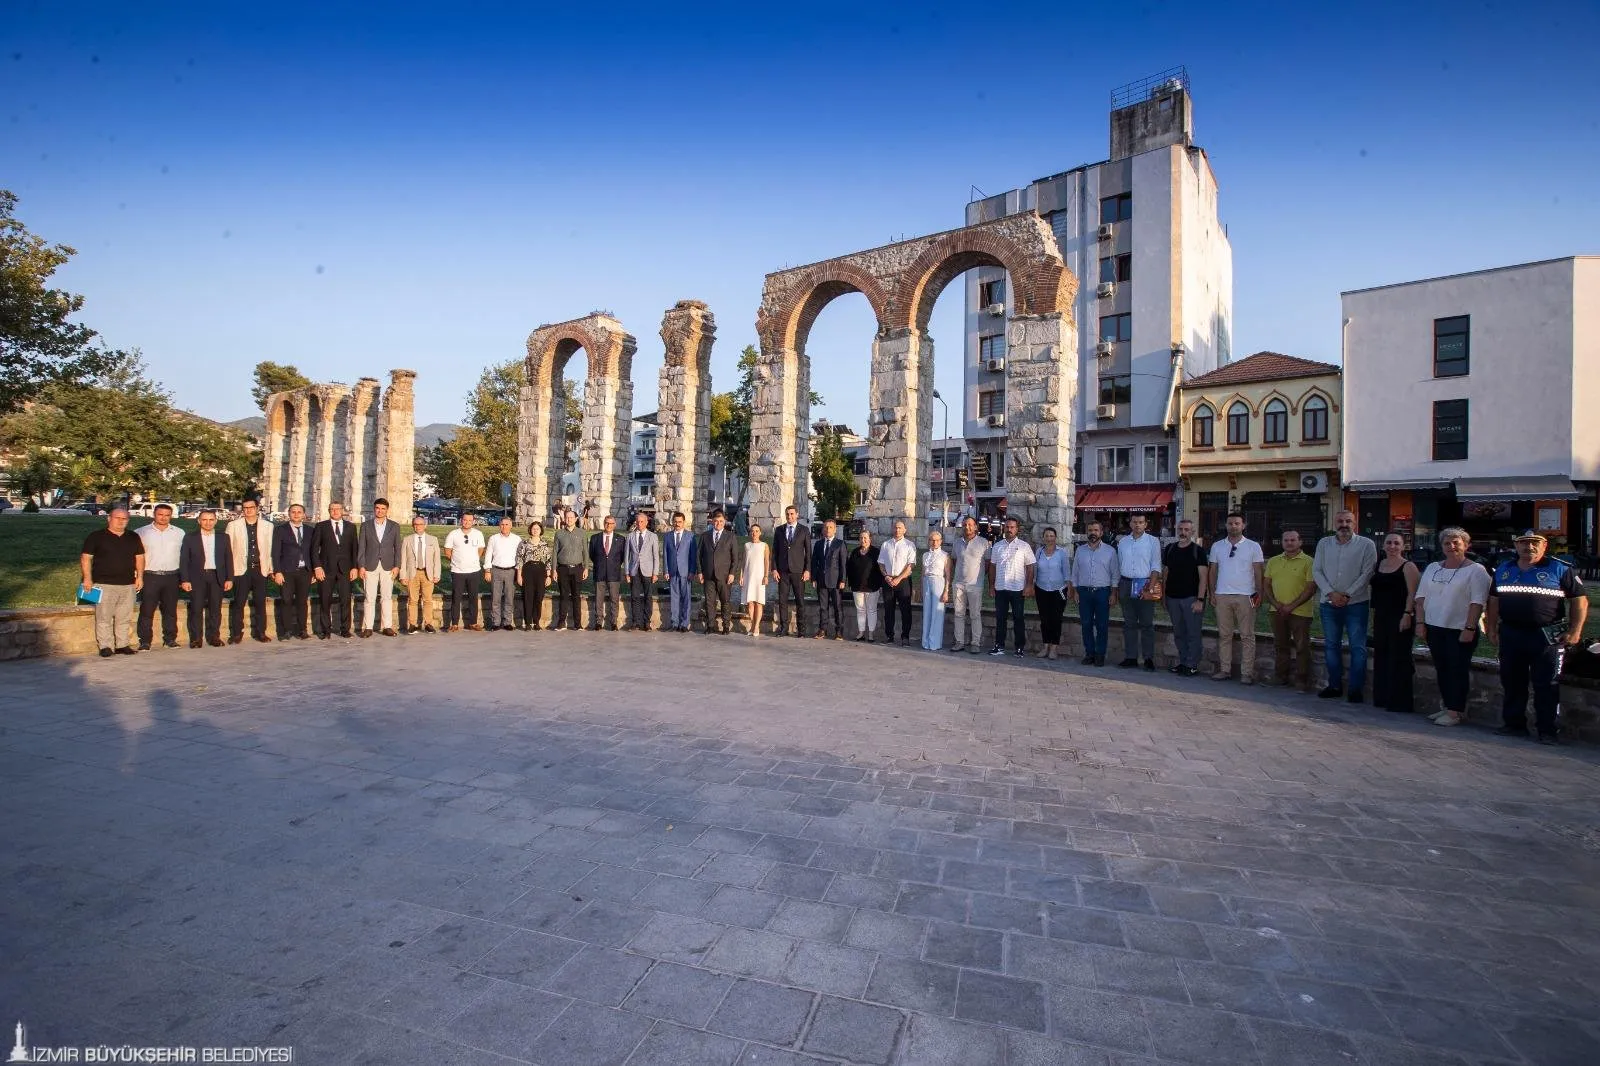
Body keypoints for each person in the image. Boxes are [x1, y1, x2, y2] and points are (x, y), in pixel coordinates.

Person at [1485, 530, 1589, 744]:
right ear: (1516, 546)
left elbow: (1579, 600)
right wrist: (1492, 628)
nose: (1528, 547)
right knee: (1512, 681)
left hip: (1546, 636)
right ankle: (1514, 725)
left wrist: (1575, 630)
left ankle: (1547, 730)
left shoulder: (1560, 568)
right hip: (1511, 633)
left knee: (1547, 684)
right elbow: (1493, 600)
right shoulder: (1504, 568)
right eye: (1524, 543)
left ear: (1544, 547)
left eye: (1534, 543)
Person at [1414, 527, 1492, 728]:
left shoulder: (1476, 571)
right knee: (1442, 668)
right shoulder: (1433, 568)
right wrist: (1420, 623)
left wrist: (1470, 627)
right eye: (1447, 543)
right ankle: (1447, 705)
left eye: (1456, 542)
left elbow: (1478, 602)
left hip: (1459, 629)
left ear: (1466, 545)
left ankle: (1455, 711)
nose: (1452, 546)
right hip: (1434, 626)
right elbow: (1420, 598)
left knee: (1457, 669)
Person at [1313, 509, 1378, 702]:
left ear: (1355, 523)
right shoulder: (1324, 544)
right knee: (1331, 645)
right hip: (1328, 603)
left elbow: (1367, 573)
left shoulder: (1367, 545)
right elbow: (1316, 570)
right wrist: (1330, 593)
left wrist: (1347, 594)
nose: (1344, 524)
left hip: (1356, 604)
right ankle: (1334, 686)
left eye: (1348, 521)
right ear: (1334, 523)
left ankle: (1355, 690)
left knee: (1357, 647)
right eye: (1340, 521)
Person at [80, 504, 145, 657]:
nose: (121, 521)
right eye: (117, 518)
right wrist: (87, 579)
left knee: (124, 617)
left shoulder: (133, 537)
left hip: (128, 584)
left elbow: (140, 557)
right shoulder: (96, 536)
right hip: (104, 584)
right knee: (104, 617)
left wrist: (140, 577)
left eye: (124, 519)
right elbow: (86, 558)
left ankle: (122, 645)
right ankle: (105, 646)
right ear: (109, 518)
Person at [1208, 513, 1265, 684]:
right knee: (1224, 635)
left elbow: (1258, 571)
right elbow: (1212, 571)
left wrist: (1259, 594)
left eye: (1237, 523)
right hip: (1222, 595)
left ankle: (1247, 673)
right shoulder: (1217, 546)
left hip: (1246, 595)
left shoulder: (1253, 546)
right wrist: (1212, 593)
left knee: (1247, 635)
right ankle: (1225, 670)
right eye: (1230, 523)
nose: (1234, 526)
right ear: (1225, 525)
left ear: (1243, 525)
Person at [1370, 532, 1419, 713]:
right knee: (1381, 656)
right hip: (1381, 616)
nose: (1392, 546)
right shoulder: (1379, 565)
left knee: (1399, 658)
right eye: (1389, 543)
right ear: (1383, 546)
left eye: (1396, 543)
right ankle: (1382, 698)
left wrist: (1408, 614)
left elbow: (1412, 594)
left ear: (1403, 546)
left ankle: (1399, 702)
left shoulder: (1408, 566)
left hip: (1400, 616)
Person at [1264, 530, 1317, 692]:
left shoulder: (1309, 562)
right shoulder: (1273, 561)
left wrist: (1291, 606)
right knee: (1281, 645)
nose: (1289, 543)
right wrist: (1276, 603)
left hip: (1300, 612)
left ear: (1300, 542)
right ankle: (1281, 677)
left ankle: (1302, 680)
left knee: (1302, 647)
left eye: (1293, 540)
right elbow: (1266, 584)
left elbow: (1311, 588)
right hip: (1277, 610)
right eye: (1286, 540)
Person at [1161, 519, 1208, 676]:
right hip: (1172, 598)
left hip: (1191, 598)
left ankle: (1192, 664)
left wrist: (1200, 600)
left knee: (1193, 633)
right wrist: (1163, 595)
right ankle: (1183, 662)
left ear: (1192, 532)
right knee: (1179, 632)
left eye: (1187, 529)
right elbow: (1166, 573)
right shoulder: (1170, 549)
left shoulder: (1198, 551)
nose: (1183, 532)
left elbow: (1203, 578)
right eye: (1180, 529)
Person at [1115, 513, 1163, 670]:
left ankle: (1148, 658)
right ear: (1130, 524)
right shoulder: (1122, 542)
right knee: (1129, 624)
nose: (1137, 525)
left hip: (1145, 584)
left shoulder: (1152, 541)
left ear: (1145, 524)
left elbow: (1156, 566)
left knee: (1147, 624)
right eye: (1135, 522)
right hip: (1126, 584)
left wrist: (1150, 588)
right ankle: (1131, 657)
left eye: (1141, 522)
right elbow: (1119, 565)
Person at [179, 509, 232, 648]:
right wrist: (185, 580)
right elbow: (184, 560)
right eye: (204, 519)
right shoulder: (190, 537)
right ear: (199, 521)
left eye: (211, 519)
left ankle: (214, 637)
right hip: (197, 577)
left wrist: (229, 578)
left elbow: (228, 559)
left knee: (216, 609)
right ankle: (196, 639)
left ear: (215, 520)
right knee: (196, 608)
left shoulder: (223, 537)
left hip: (216, 576)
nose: (208, 523)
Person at [134, 503, 184, 650]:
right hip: (150, 575)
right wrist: (137, 575)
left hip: (172, 576)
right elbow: (136, 556)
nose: (163, 518)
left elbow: (184, 556)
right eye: (160, 514)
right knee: (147, 610)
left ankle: (170, 639)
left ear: (171, 516)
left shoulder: (179, 533)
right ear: (154, 514)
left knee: (170, 610)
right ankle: (145, 641)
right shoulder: (141, 532)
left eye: (167, 515)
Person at [225, 499, 275, 644]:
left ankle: (261, 632)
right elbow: (228, 551)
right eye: (245, 508)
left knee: (260, 603)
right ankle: (236, 633)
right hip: (241, 570)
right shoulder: (233, 526)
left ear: (257, 508)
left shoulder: (268, 526)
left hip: (260, 569)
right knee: (239, 603)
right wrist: (230, 572)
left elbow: (270, 549)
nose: (248, 510)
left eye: (251, 507)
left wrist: (271, 569)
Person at [1069, 522, 1118, 666]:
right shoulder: (1080, 550)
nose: (1093, 533)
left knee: (1102, 625)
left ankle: (1100, 655)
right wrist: (1075, 591)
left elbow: (1115, 574)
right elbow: (1075, 573)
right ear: (1086, 532)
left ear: (1101, 532)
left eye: (1096, 530)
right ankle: (1089, 653)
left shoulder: (1110, 551)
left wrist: (1113, 594)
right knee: (1086, 624)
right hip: (1084, 592)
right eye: (1090, 530)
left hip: (1103, 592)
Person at [987, 517, 1035, 658]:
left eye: (1012, 527)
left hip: (1018, 588)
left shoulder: (1024, 546)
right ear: (1004, 528)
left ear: (1017, 529)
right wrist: (991, 586)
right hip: (1000, 587)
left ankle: (1019, 648)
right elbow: (992, 567)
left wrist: (1029, 585)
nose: (1009, 529)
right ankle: (999, 646)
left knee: (1018, 618)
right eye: (1007, 527)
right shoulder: (997, 546)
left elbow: (1030, 567)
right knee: (1000, 618)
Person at [311, 502, 357, 639]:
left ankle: (345, 629)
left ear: (342, 511)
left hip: (345, 569)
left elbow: (355, 549)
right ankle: (326, 630)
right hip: (326, 569)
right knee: (325, 600)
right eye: (332, 509)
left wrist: (355, 567)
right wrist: (317, 567)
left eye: (338, 509)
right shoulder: (321, 526)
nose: (335, 511)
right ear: (329, 511)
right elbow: (314, 549)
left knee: (345, 600)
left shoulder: (351, 527)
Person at [356, 498, 402, 637]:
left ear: (387, 510)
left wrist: (397, 566)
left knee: (387, 597)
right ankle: (368, 627)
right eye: (377, 508)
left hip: (388, 566)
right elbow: (361, 547)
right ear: (374, 509)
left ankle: (387, 626)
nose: (380, 511)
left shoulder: (394, 526)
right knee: (369, 597)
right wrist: (361, 566)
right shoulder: (366, 526)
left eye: (383, 508)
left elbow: (397, 548)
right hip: (370, 565)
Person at [268, 504, 314, 640]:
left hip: (304, 571)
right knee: (286, 600)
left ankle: (302, 630)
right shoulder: (280, 530)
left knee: (302, 601)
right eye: (293, 512)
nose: (296, 514)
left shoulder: (310, 530)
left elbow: (314, 552)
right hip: (286, 571)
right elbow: (275, 553)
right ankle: (286, 630)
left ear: (303, 514)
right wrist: (277, 571)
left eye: (299, 512)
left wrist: (313, 570)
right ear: (289, 513)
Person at [948, 516, 990, 654]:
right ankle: (959, 641)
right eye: (965, 524)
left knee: (975, 614)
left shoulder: (984, 543)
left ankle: (975, 643)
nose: (967, 527)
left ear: (976, 527)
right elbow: (954, 561)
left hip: (975, 585)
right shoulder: (957, 543)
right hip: (958, 584)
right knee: (958, 614)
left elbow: (988, 564)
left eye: (970, 524)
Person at [697, 509, 742, 634]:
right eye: (716, 521)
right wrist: (700, 572)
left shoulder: (731, 536)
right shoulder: (705, 536)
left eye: (721, 521)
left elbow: (735, 557)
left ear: (724, 522)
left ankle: (726, 626)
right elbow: (698, 555)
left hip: (725, 575)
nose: (718, 523)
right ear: (712, 521)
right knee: (709, 602)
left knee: (725, 602)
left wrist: (732, 573)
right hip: (708, 575)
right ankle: (710, 626)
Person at [771, 506, 812, 637]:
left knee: (800, 601)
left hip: (798, 571)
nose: (790, 516)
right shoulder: (779, 530)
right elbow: (774, 552)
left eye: (792, 514)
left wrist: (807, 570)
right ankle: (783, 628)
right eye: (787, 514)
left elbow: (808, 552)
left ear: (797, 515)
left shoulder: (804, 530)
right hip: (782, 572)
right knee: (782, 601)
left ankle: (801, 630)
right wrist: (774, 569)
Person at [442, 513, 485, 632]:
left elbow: (481, 549)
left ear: (473, 521)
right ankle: (454, 623)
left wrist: (473, 560)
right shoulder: (453, 534)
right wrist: (457, 561)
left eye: (470, 520)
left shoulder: (478, 534)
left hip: (474, 571)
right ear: (461, 520)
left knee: (473, 597)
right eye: (465, 520)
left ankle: (473, 623)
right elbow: (447, 551)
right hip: (457, 571)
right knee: (456, 597)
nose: (467, 522)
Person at [1032, 526, 1070, 660]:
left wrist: (1069, 589)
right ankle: (1045, 646)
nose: (1049, 538)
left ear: (1055, 538)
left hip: (1058, 590)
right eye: (1047, 536)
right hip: (1041, 589)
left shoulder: (1062, 553)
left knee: (1056, 619)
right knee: (1044, 619)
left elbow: (1066, 573)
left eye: (1051, 536)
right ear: (1043, 538)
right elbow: (1035, 570)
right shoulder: (1039, 552)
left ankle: (1054, 648)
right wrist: (1033, 584)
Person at [878, 520, 917, 647]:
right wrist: (886, 576)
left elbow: (911, 565)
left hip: (903, 581)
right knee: (888, 610)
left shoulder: (910, 545)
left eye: (900, 528)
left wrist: (899, 578)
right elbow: (881, 563)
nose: (897, 530)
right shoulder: (885, 545)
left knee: (905, 610)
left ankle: (905, 637)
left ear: (905, 530)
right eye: (895, 527)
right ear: (892, 529)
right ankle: (889, 636)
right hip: (888, 581)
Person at [401, 514, 442, 634]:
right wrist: (403, 576)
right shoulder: (407, 539)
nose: (418, 526)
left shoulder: (432, 540)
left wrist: (437, 574)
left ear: (425, 526)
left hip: (427, 573)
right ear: (413, 526)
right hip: (412, 573)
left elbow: (437, 559)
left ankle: (428, 623)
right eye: (415, 524)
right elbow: (403, 559)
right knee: (412, 600)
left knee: (428, 599)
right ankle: (412, 624)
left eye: (420, 524)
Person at [624, 510, 662, 631]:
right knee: (634, 596)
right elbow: (626, 556)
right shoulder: (630, 536)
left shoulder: (653, 536)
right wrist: (626, 572)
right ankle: (635, 622)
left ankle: (646, 622)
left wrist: (655, 573)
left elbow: (656, 556)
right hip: (634, 570)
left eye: (642, 521)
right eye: (638, 521)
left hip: (648, 571)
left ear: (646, 522)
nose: (639, 524)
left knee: (648, 596)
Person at [587, 515, 625, 631]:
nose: (609, 525)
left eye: (611, 523)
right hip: (599, 572)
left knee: (614, 599)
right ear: (604, 523)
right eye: (607, 523)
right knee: (599, 598)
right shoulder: (595, 538)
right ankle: (598, 622)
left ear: (615, 525)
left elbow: (622, 557)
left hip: (614, 573)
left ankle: (613, 622)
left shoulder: (621, 539)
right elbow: (592, 555)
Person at [811, 519, 848, 640]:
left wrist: (843, 580)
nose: (828, 530)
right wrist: (814, 578)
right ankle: (823, 630)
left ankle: (839, 631)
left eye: (831, 527)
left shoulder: (840, 544)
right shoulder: (818, 544)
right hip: (821, 581)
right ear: (823, 529)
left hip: (836, 581)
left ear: (835, 530)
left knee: (837, 606)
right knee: (823, 607)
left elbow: (843, 564)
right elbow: (814, 562)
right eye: (826, 527)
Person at [484, 515, 522, 631]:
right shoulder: (493, 538)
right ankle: (496, 622)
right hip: (496, 570)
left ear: (511, 525)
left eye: (507, 524)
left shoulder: (517, 539)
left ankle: (507, 622)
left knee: (509, 598)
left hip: (511, 571)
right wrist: (487, 570)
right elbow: (488, 554)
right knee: (495, 598)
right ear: (499, 525)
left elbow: (520, 557)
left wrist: (519, 572)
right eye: (502, 524)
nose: (504, 526)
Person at [662, 511, 697, 633]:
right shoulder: (667, 536)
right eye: (675, 522)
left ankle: (684, 623)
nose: (677, 524)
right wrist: (665, 570)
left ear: (684, 522)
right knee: (674, 598)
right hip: (672, 571)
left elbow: (693, 555)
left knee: (686, 598)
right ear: (672, 522)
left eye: (679, 522)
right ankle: (675, 623)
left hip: (686, 572)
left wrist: (692, 571)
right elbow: (665, 555)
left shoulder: (690, 536)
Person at [554, 508, 588, 631]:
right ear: (564, 519)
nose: (569, 519)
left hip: (578, 569)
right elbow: (554, 553)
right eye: (567, 517)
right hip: (562, 569)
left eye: (571, 517)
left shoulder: (582, 533)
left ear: (576, 519)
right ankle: (561, 623)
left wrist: (586, 568)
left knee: (576, 596)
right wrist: (553, 570)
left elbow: (585, 552)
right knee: (563, 596)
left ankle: (577, 624)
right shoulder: (559, 534)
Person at [846, 528, 883, 642]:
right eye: (861, 538)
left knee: (871, 610)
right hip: (857, 587)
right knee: (860, 610)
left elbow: (880, 569)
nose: (863, 540)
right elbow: (850, 569)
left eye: (865, 538)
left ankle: (871, 634)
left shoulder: (876, 552)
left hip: (872, 587)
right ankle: (861, 632)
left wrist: (879, 585)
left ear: (870, 539)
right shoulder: (855, 552)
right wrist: (850, 583)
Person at [516, 521, 553, 631]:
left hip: (540, 571)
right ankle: (528, 623)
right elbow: (519, 560)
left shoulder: (544, 544)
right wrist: (519, 575)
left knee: (538, 597)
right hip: (528, 571)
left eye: (537, 529)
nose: (535, 530)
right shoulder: (524, 543)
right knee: (528, 597)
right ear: (530, 530)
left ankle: (536, 622)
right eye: (533, 528)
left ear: (541, 530)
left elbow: (548, 561)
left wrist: (548, 576)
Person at [921, 529, 952, 651]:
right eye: (932, 540)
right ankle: (925, 641)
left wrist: (946, 591)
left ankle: (935, 643)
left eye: (937, 540)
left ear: (941, 542)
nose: (934, 543)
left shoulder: (945, 555)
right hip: (927, 582)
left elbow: (948, 574)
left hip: (939, 582)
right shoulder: (925, 555)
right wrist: (921, 588)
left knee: (937, 613)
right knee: (927, 613)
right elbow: (923, 573)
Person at [741, 523, 772, 637]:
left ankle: (756, 627)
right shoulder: (746, 545)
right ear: (750, 533)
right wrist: (741, 576)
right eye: (752, 531)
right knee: (750, 603)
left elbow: (767, 562)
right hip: (748, 575)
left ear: (760, 532)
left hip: (759, 576)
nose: (754, 533)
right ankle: (753, 625)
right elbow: (743, 562)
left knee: (758, 602)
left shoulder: (764, 545)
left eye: (757, 531)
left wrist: (766, 576)